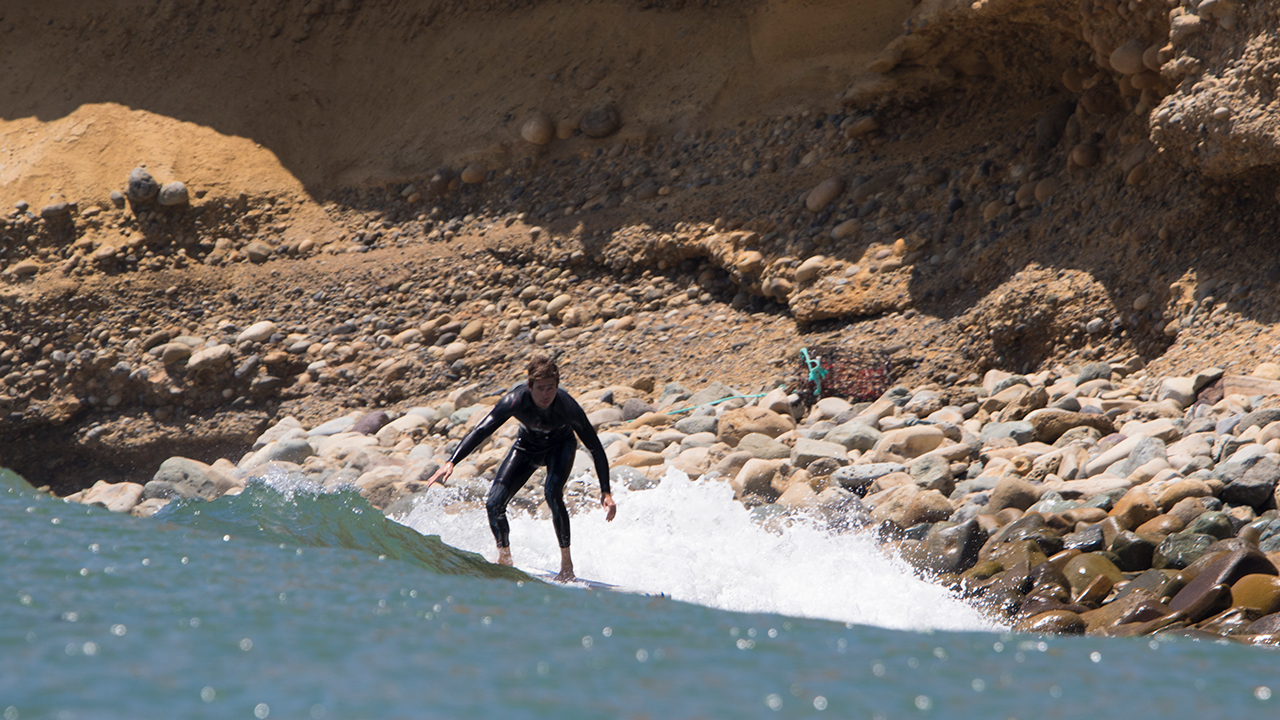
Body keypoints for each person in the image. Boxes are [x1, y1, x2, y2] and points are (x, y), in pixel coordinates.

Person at [424, 354, 616, 581]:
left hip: (560, 447)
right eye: (541, 389)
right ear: (529, 386)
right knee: (494, 504)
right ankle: (505, 559)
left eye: (551, 388)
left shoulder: (568, 408)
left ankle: (567, 565)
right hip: (526, 448)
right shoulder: (515, 401)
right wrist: (452, 461)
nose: (546, 395)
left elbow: (595, 447)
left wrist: (605, 491)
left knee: (552, 494)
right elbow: (481, 431)